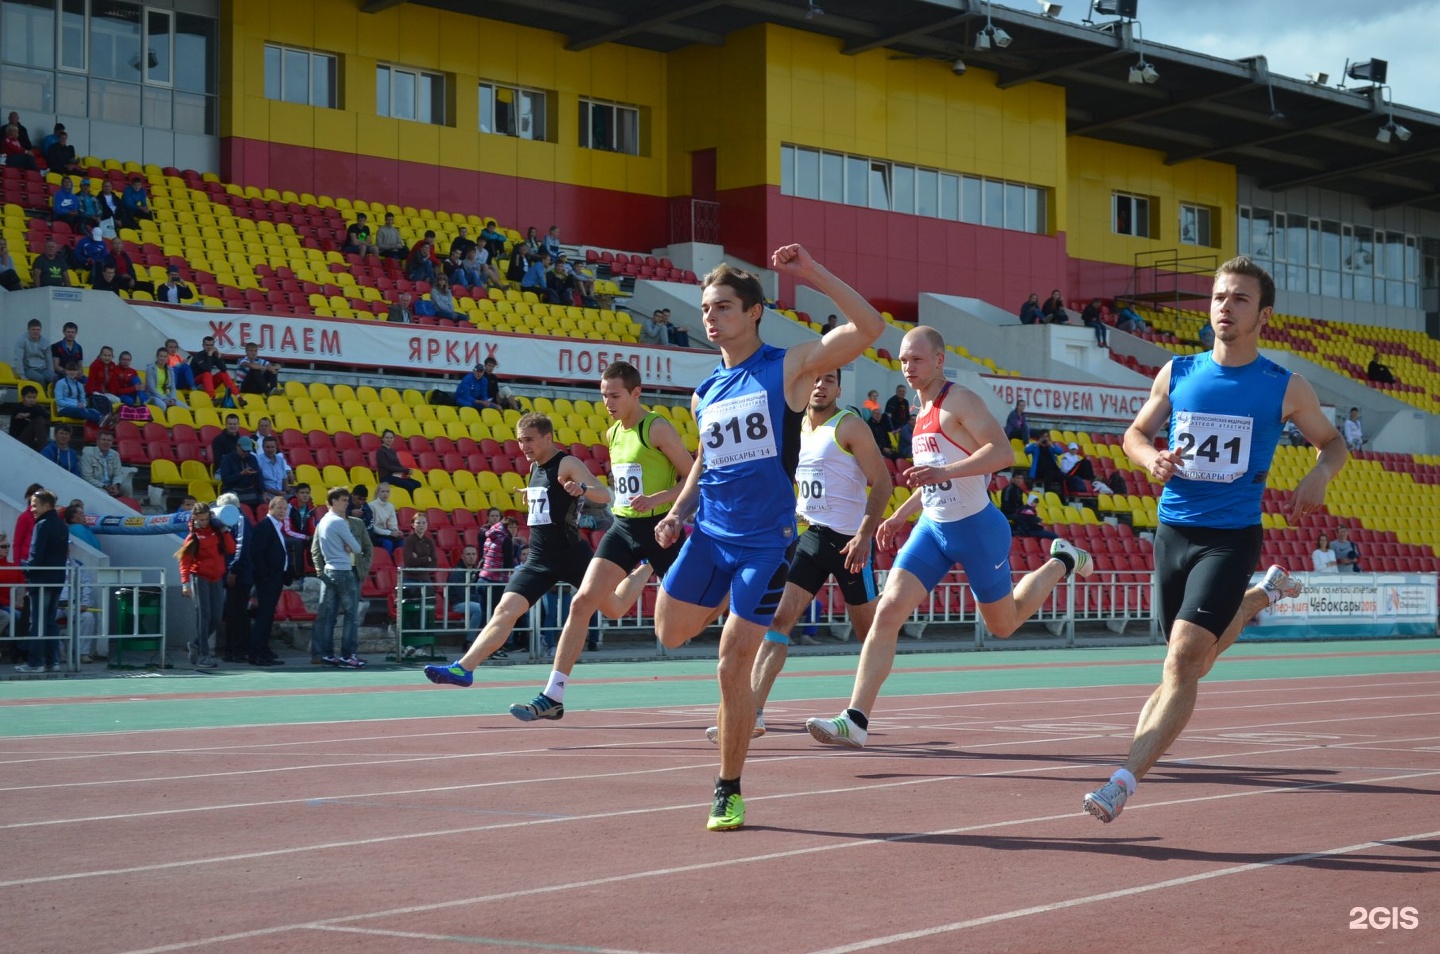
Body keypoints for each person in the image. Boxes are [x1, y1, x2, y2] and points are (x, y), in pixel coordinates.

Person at [1080, 255, 1346, 824]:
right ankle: (1261, 596)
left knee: (1181, 661)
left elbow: (1333, 443)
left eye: (1240, 299)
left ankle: (1122, 781)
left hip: (1231, 538)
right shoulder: (1177, 372)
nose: (1225, 306)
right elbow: (1133, 434)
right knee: (1187, 664)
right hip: (1174, 531)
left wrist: (1319, 474)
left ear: (1263, 315)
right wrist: (1152, 459)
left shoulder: (1285, 386)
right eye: (1220, 296)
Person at [641, 246, 885, 832]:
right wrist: (677, 511)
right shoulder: (704, 393)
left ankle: (728, 789)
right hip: (707, 536)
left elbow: (870, 328)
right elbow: (704, 462)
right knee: (669, 632)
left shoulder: (789, 367)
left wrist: (812, 273)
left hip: (763, 546)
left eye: (723, 306)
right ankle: (728, 606)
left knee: (732, 665)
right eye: (705, 307)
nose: (710, 316)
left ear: (753, 313)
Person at [803, 326, 1094, 750]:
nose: (908, 367)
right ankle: (856, 718)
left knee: (1004, 624)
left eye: (917, 359)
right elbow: (932, 479)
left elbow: (1002, 453)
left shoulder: (959, 401)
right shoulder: (918, 412)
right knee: (887, 613)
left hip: (977, 529)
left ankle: (1061, 561)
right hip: (932, 529)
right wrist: (900, 515)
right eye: (903, 360)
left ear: (939, 360)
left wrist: (945, 473)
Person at [702, 367, 893, 742]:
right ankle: (752, 713)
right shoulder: (792, 427)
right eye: (816, 381)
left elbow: (883, 481)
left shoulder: (849, 426)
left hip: (850, 543)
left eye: (828, 381)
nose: (820, 386)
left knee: (870, 634)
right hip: (810, 537)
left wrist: (865, 535)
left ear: (838, 388)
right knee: (778, 619)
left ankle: (858, 718)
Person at [507, 361, 695, 722]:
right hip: (624, 529)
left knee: (688, 620)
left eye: (614, 395)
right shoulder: (611, 434)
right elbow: (620, 489)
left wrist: (658, 502)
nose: (607, 402)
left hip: (662, 529)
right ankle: (553, 695)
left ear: (635, 393)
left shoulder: (656, 427)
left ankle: (744, 689)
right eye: (603, 395)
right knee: (582, 603)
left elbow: (693, 479)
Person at [424, 413, 611, 685]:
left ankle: (645, 567)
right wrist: (531, 493)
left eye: (530, 440)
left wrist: (581, 488)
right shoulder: (535, 467)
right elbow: (548, 500)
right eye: (520, 440)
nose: (523, 446)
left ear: (548, 438)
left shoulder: (567, 462)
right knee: (505, 610)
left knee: (614, 607)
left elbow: (603, 495)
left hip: (571, 555)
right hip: (538, 559)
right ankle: (463, 668)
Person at [309, 487, 367, 668]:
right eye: (343, 500)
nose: (346, 503)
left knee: (329, 615)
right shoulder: (339, 522)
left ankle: (327, 654)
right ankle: (347, 655)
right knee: (351, 615)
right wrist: (348, 546)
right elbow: (357, 548)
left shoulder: (322, 522)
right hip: (342, 569)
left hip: (328, 569)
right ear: (333, 501)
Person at [176, 502, 233, 669]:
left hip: (216, 579)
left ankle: (195, 644)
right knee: (204, 618)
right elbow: (185, 562)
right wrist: (185, 583)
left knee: (216, 618)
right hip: (200, 578)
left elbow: (230, 549)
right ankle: (203, 655)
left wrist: (224, 531)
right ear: (194, 518)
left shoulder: (217, 533)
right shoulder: (192, 537)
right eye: (200, 519)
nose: (204, 522)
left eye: (206, 519)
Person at [17, 490, 67, 674]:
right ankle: (52, 661)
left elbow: (36, 555)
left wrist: (26, 569)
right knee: (50, 622)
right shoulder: (61, 525)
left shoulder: (42, 525)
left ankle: (35, 662)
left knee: (37, 621)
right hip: (57, 579)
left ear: (47, 505)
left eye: (35, 504)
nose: (32, 509)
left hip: (41, 580)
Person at [247, 494, 290, 666]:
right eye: (279, 507)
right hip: (267, 579)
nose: (282, 511)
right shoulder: (265, 526)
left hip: (275, 577)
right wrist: (265, 575)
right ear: (270, 508)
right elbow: (256, 553)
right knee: (264, 616)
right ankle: (257, 653)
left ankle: (264, 649)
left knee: (268, 616)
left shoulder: (276, 527)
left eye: (285, 508)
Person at [212, 495, 253, 664]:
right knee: (233, 612)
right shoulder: (232, 521)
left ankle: (239, 650)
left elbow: (241, 547)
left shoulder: (240, 520)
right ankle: (233, 650)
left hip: (239, 574)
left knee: (237, 613)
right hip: (234, 572)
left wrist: (233, 570)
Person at [218, 436, 264, 507]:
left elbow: (259, 476)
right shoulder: (227, 459)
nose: (246, 453)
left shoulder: (252, 458)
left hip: (249, 489)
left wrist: (262, 492)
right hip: (233, 489)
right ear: (237, 446)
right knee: (234, 501)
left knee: (263, 501)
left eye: (248, 451)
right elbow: (225, 480)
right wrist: (241, 474)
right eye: (244, 450)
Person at [81, 431, 129, 497]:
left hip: (111, 484)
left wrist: (116, 485)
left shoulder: (115, 454)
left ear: (112, 442)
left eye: (109, 440)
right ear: (98, 441)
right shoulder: (88, 453)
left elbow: (118, 474)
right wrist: (104, 486)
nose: (106, 442)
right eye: (103, 440)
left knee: (126, 488)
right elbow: (87, 477)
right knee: (104, 493)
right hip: (96, 485)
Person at [6, 385, 51, 451]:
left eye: (34, 397)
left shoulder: (36, 408)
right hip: (17, 441)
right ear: (22, 398)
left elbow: (46, 414)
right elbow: (36, 410)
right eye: (29, 397)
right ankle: (44, 451)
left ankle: (45, 449)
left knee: (51, 444)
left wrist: (29, 414)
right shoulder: (17, 407)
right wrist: (31, 414)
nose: (32, 400)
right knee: (38, 420)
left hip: (30, 440)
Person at [1024, 432, 1065, 498]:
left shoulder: (1051, 446)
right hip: (1039, 470)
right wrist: (1037, 444)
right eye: (1043, 437)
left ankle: (1062, 497)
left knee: (1062, 476)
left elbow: (1060, 452)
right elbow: (1027, 451)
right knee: (1048, 473)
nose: (1044, 438)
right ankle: (1047, 494)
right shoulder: (1035, 446)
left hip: (1052, 469)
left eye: (1046, 437)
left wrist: (1052, 446)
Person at [368, 482, 402, 555]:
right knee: (388, 543)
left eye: (387, 491)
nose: (385, 494)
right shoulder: (371, 505)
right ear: (378, 492)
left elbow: (392, 524)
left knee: (401, 542)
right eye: (382, 491)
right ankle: (388, 562)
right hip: (374, 534)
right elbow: (372, 527)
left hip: (386, 533)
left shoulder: (391, 506)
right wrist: (390, 533)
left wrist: (396, 531)